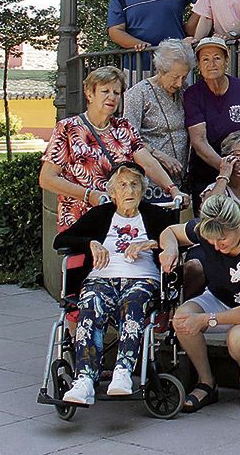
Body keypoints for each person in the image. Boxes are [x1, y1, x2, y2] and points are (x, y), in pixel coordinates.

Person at [54, 164, 179, 405]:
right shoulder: (100, 215)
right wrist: (90, 242)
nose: (129, 190)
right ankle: (85, 380)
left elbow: (180, 242)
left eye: (134, 184)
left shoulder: (156, 216)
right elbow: (62, 239)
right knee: (90, 303)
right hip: (101, 278)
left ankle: (123, 371)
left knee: (133, 302)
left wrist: (151, 244)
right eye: (122, 185)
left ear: (142, 189)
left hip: (142, 279)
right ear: (112, 192)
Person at [159, 195, 240, 412]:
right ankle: (206, 381)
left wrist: (206, 319)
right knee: (182, 317)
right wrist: (170, 248)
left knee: (238, 337)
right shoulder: (207, 230)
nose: (217, 247)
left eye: (223, 240)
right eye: (211, 241)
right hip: (220, 297)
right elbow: (169, 231)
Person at [40, 66, 186, 240]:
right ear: (89, 93)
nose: (112, 97)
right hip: (83, 222)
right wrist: (88, 195)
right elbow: (47, 178)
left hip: (122, 222)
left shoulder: (123, 128)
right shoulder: (68, 128)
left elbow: (147, 162)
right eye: (105, 91)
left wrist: (173, 189)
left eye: (116, 93)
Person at [184, 37, 240, 203]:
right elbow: (199, 141)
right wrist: (227, 168)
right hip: (209, 169)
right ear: (199, 66)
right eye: (205, 59)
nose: (211, 63)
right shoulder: (192, 94)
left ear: (226, 61)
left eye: (217, 58)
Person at [123, 38, 195, 203]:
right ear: (161, 70)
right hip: (150, 185)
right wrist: (161, 156)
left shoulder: (184, 92)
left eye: (184, 77)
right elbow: (129, 139)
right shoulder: (139, 93)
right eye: (175, 77)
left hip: (179, 184)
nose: (179, 83)